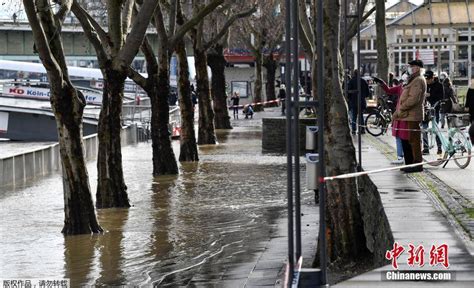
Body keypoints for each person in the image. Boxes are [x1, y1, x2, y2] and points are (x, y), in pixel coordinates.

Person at [392, 59, 426, 173]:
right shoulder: (413, 79)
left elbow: (413, 99)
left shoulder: (418, 80)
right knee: (410, 140)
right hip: (408, 115)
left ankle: (417, 164)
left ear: (417, 68)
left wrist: (402, 107)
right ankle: (411, 163)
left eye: (412, 66)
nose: (410, 68)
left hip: (412, 115)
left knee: (414, 141)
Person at [373, 76, 404, 164]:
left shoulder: (410, 86)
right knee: (398, 135)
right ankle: (400, 156)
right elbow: (389, 90)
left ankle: (404, 157)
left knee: (405, 136)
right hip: (399, 113)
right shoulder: (401, 87)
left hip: (405, 114)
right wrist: (381, 83)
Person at [422, 70, 444, 155]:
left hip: (436, 110)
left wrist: (430, 95)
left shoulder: (439, 85)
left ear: (432, 78)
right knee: (424, 128)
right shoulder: (425, 85)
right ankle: (426, 148)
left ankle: (439, 147)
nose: (427, 81)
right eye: (426, 79)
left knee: (436, 129)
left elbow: (441, 97)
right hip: (426, 109)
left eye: (428, 79)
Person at [347, 69, 369, 135]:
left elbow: (348, 92)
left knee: (354, 116)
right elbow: (367, 93)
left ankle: (354, 130)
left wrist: (350, 98)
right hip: (361, 101)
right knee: (361, 116)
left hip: (353, 101)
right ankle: (362, 129)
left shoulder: (351, 81)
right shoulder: (363, 81)